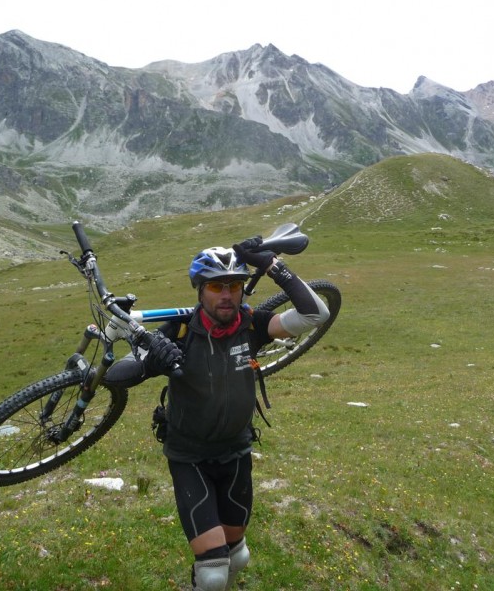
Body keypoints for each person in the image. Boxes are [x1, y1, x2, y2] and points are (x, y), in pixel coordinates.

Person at [105, 235, 330, 590]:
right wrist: (152, 362)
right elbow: (116, 375)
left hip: (237, 453)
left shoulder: (252, 324)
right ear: (200, 290)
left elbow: (316, 313)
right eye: (215, 286)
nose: (226, 294)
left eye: (234, 285)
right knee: (213, 573)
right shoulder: (178, 331)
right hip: (189, 456)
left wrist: (272, 265)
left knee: (237, 557)